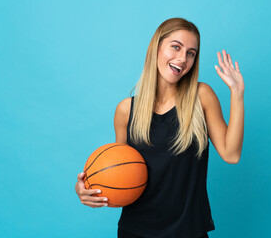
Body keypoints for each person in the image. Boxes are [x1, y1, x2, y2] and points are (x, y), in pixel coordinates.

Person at [75, 17, 245, 238]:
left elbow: (231, 154)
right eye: (176, 47)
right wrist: (88, 190)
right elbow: (120, 174)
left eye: (191, 53)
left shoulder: (201, 97)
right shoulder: (126, 110)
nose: (182, 58)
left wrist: (237, 94)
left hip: (188, 231)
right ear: (156, 47)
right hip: (135, 231)